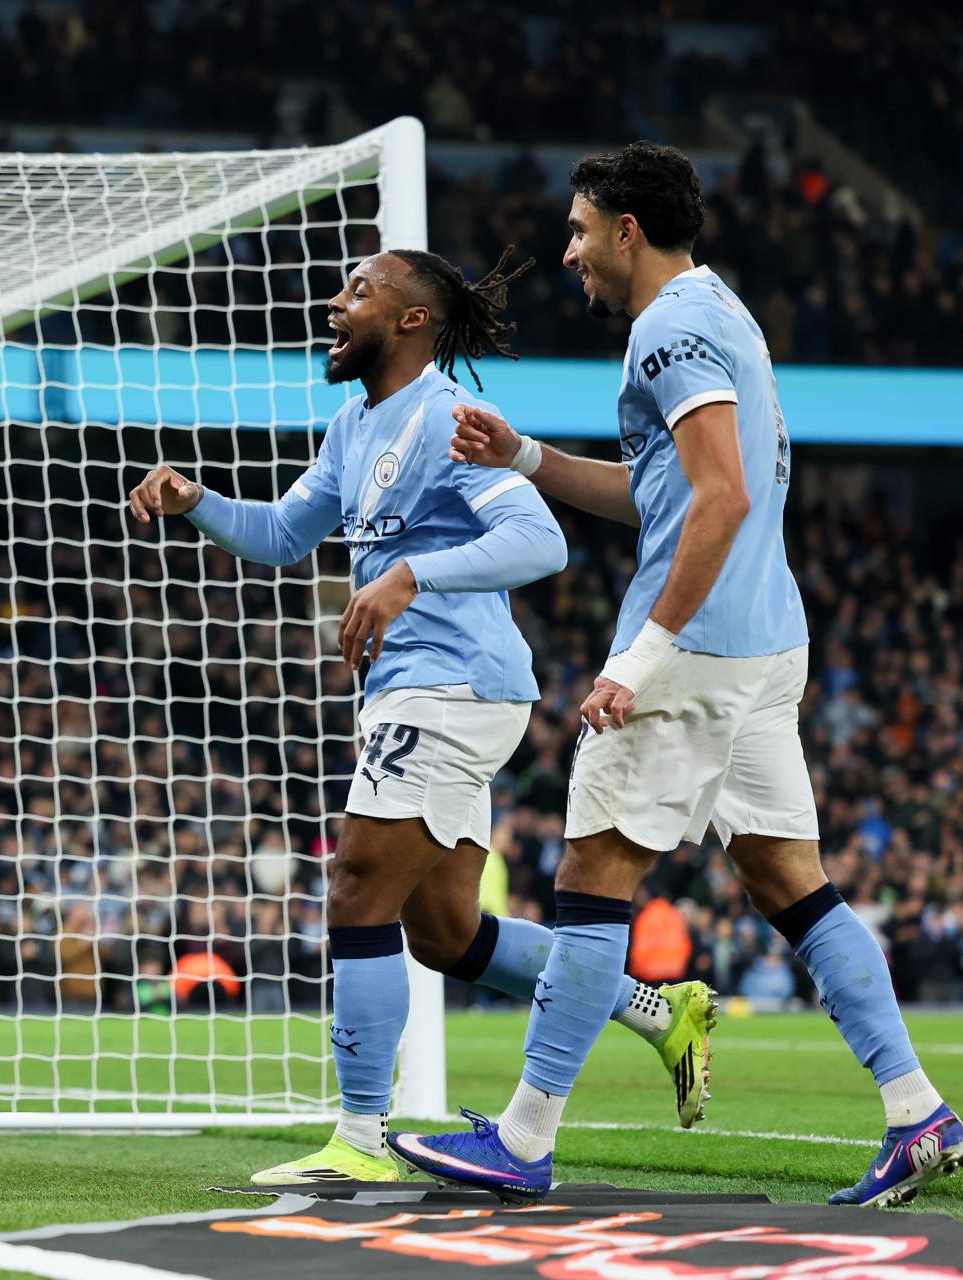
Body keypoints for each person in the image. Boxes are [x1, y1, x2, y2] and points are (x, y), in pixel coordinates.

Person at [389, 142, 963, 1208]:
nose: (567, 253)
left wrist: (639, 657)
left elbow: (721, 497)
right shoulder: (720, 314)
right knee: (793, 881)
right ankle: (917, 1111)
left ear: (625, 230)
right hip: (762, 639)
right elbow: (666, 494)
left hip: (695, 649)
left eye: (576, 230)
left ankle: (522, 1139)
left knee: (592, 880)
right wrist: (524, 457)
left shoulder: (669, 327)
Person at [127, 246, 712, 1186]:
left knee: (357, 882)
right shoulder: (355, 425)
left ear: (409, 321)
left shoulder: (444, 418)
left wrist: (410, 574)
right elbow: (284, 535)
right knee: (445, 934)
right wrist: (198, 501)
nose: (335, 300)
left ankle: (361, 1144)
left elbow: (542, 540)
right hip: (428, 690)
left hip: (451, 686)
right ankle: (656, 1010)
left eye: (360, 289)